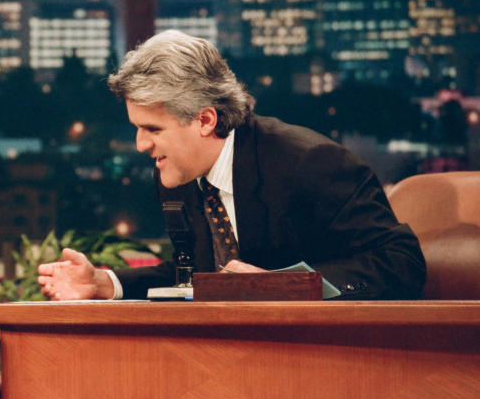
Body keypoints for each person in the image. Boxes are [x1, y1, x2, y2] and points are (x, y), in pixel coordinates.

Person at [38, 30, 426, 301]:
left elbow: (401, 262)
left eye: (151, 128)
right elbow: (199, 275)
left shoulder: (309, 164)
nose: (141, 145)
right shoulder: (178, 174)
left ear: (205, 120)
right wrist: (105, 284)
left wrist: (294, 288)